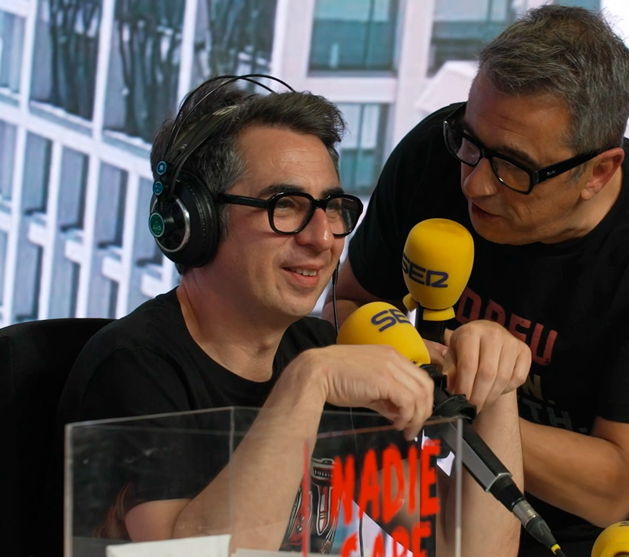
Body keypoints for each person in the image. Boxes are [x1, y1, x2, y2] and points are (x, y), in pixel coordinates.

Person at [54, 75, 531, 556]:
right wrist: (308, 383)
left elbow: (466, 550)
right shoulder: (135, 368)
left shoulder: (319, 349)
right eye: (285, 206)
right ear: (196, 221)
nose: (322, 238)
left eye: (332, 208)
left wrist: (495, 386)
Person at [325, 5, 629, 557]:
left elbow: (611, 487)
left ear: (598, 173)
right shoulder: (435, 156)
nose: (474, 184)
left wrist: (449, 395)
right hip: (458, 486)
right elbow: (348, 305)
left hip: (624, 530)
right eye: (471, 143)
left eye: (514, 168)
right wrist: (417, 368)